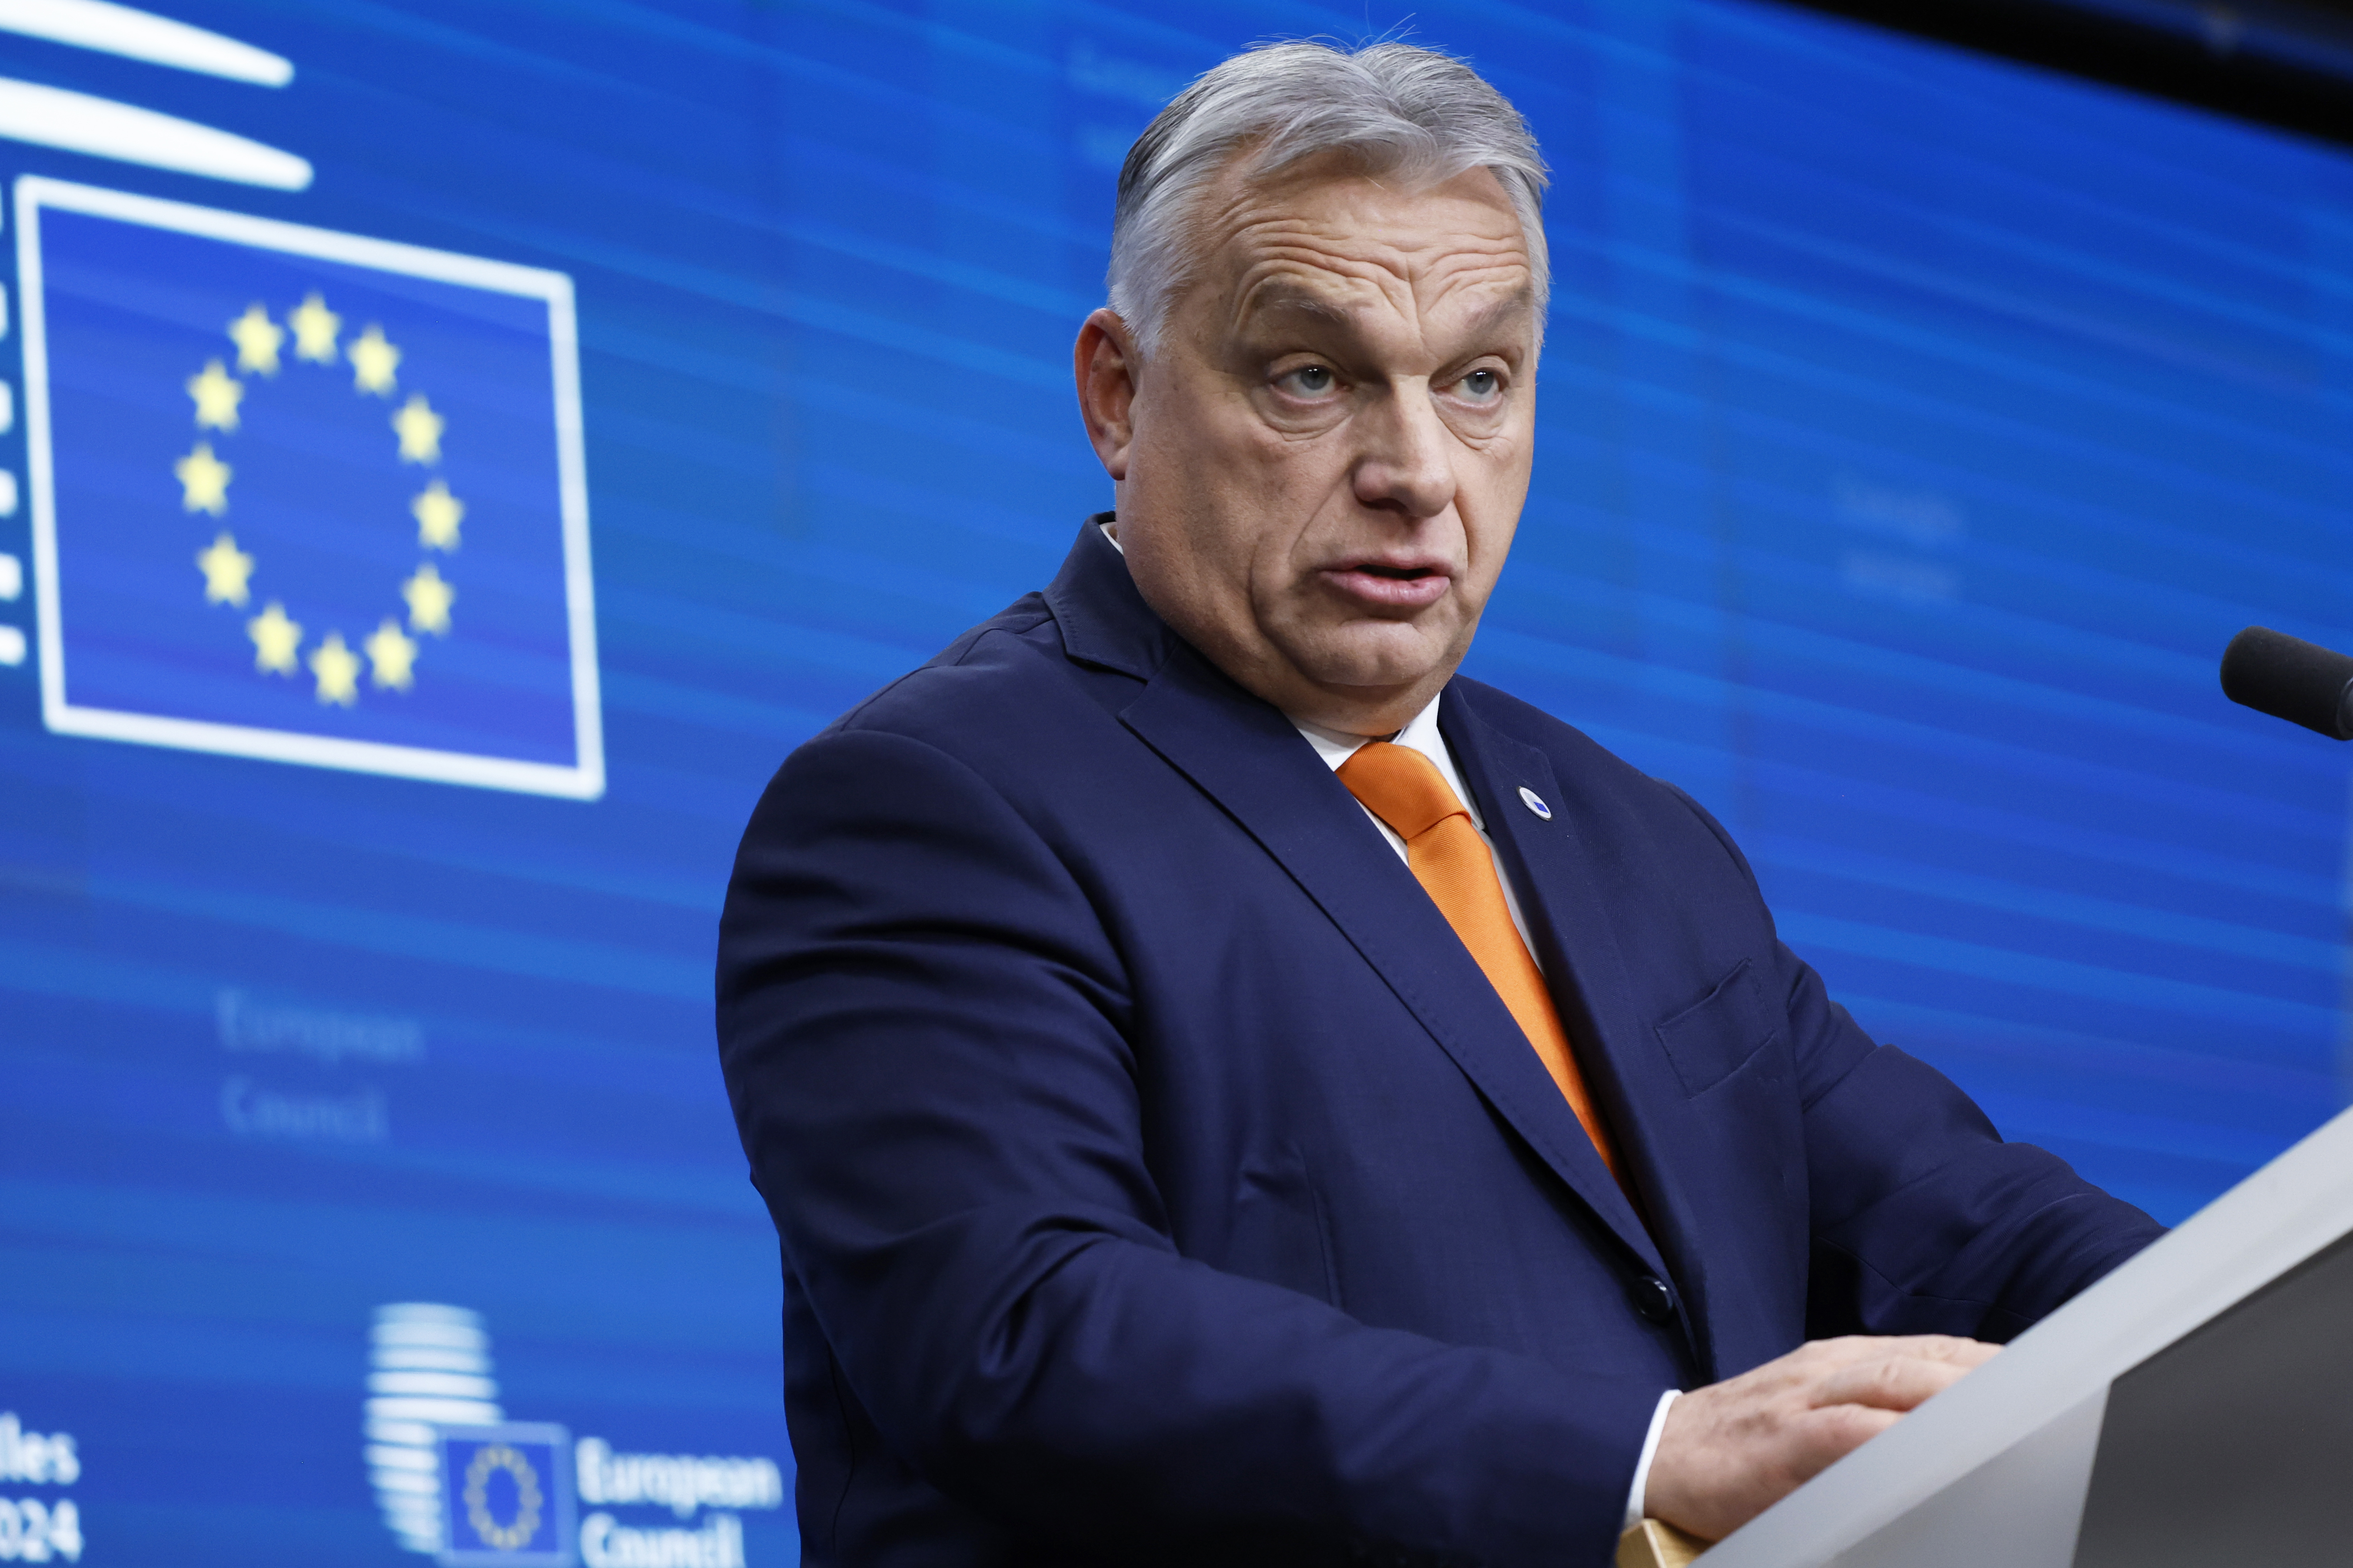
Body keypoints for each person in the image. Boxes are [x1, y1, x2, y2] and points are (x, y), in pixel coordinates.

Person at [715, 39, 2163, 1567]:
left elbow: (1965, 1226)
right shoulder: (934, 805)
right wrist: (1653, 1457)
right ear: (1118, 393)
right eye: (1312, 375)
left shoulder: (1638, 840)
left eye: (1478, 380)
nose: (1415, 469)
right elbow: (1024, 1334)